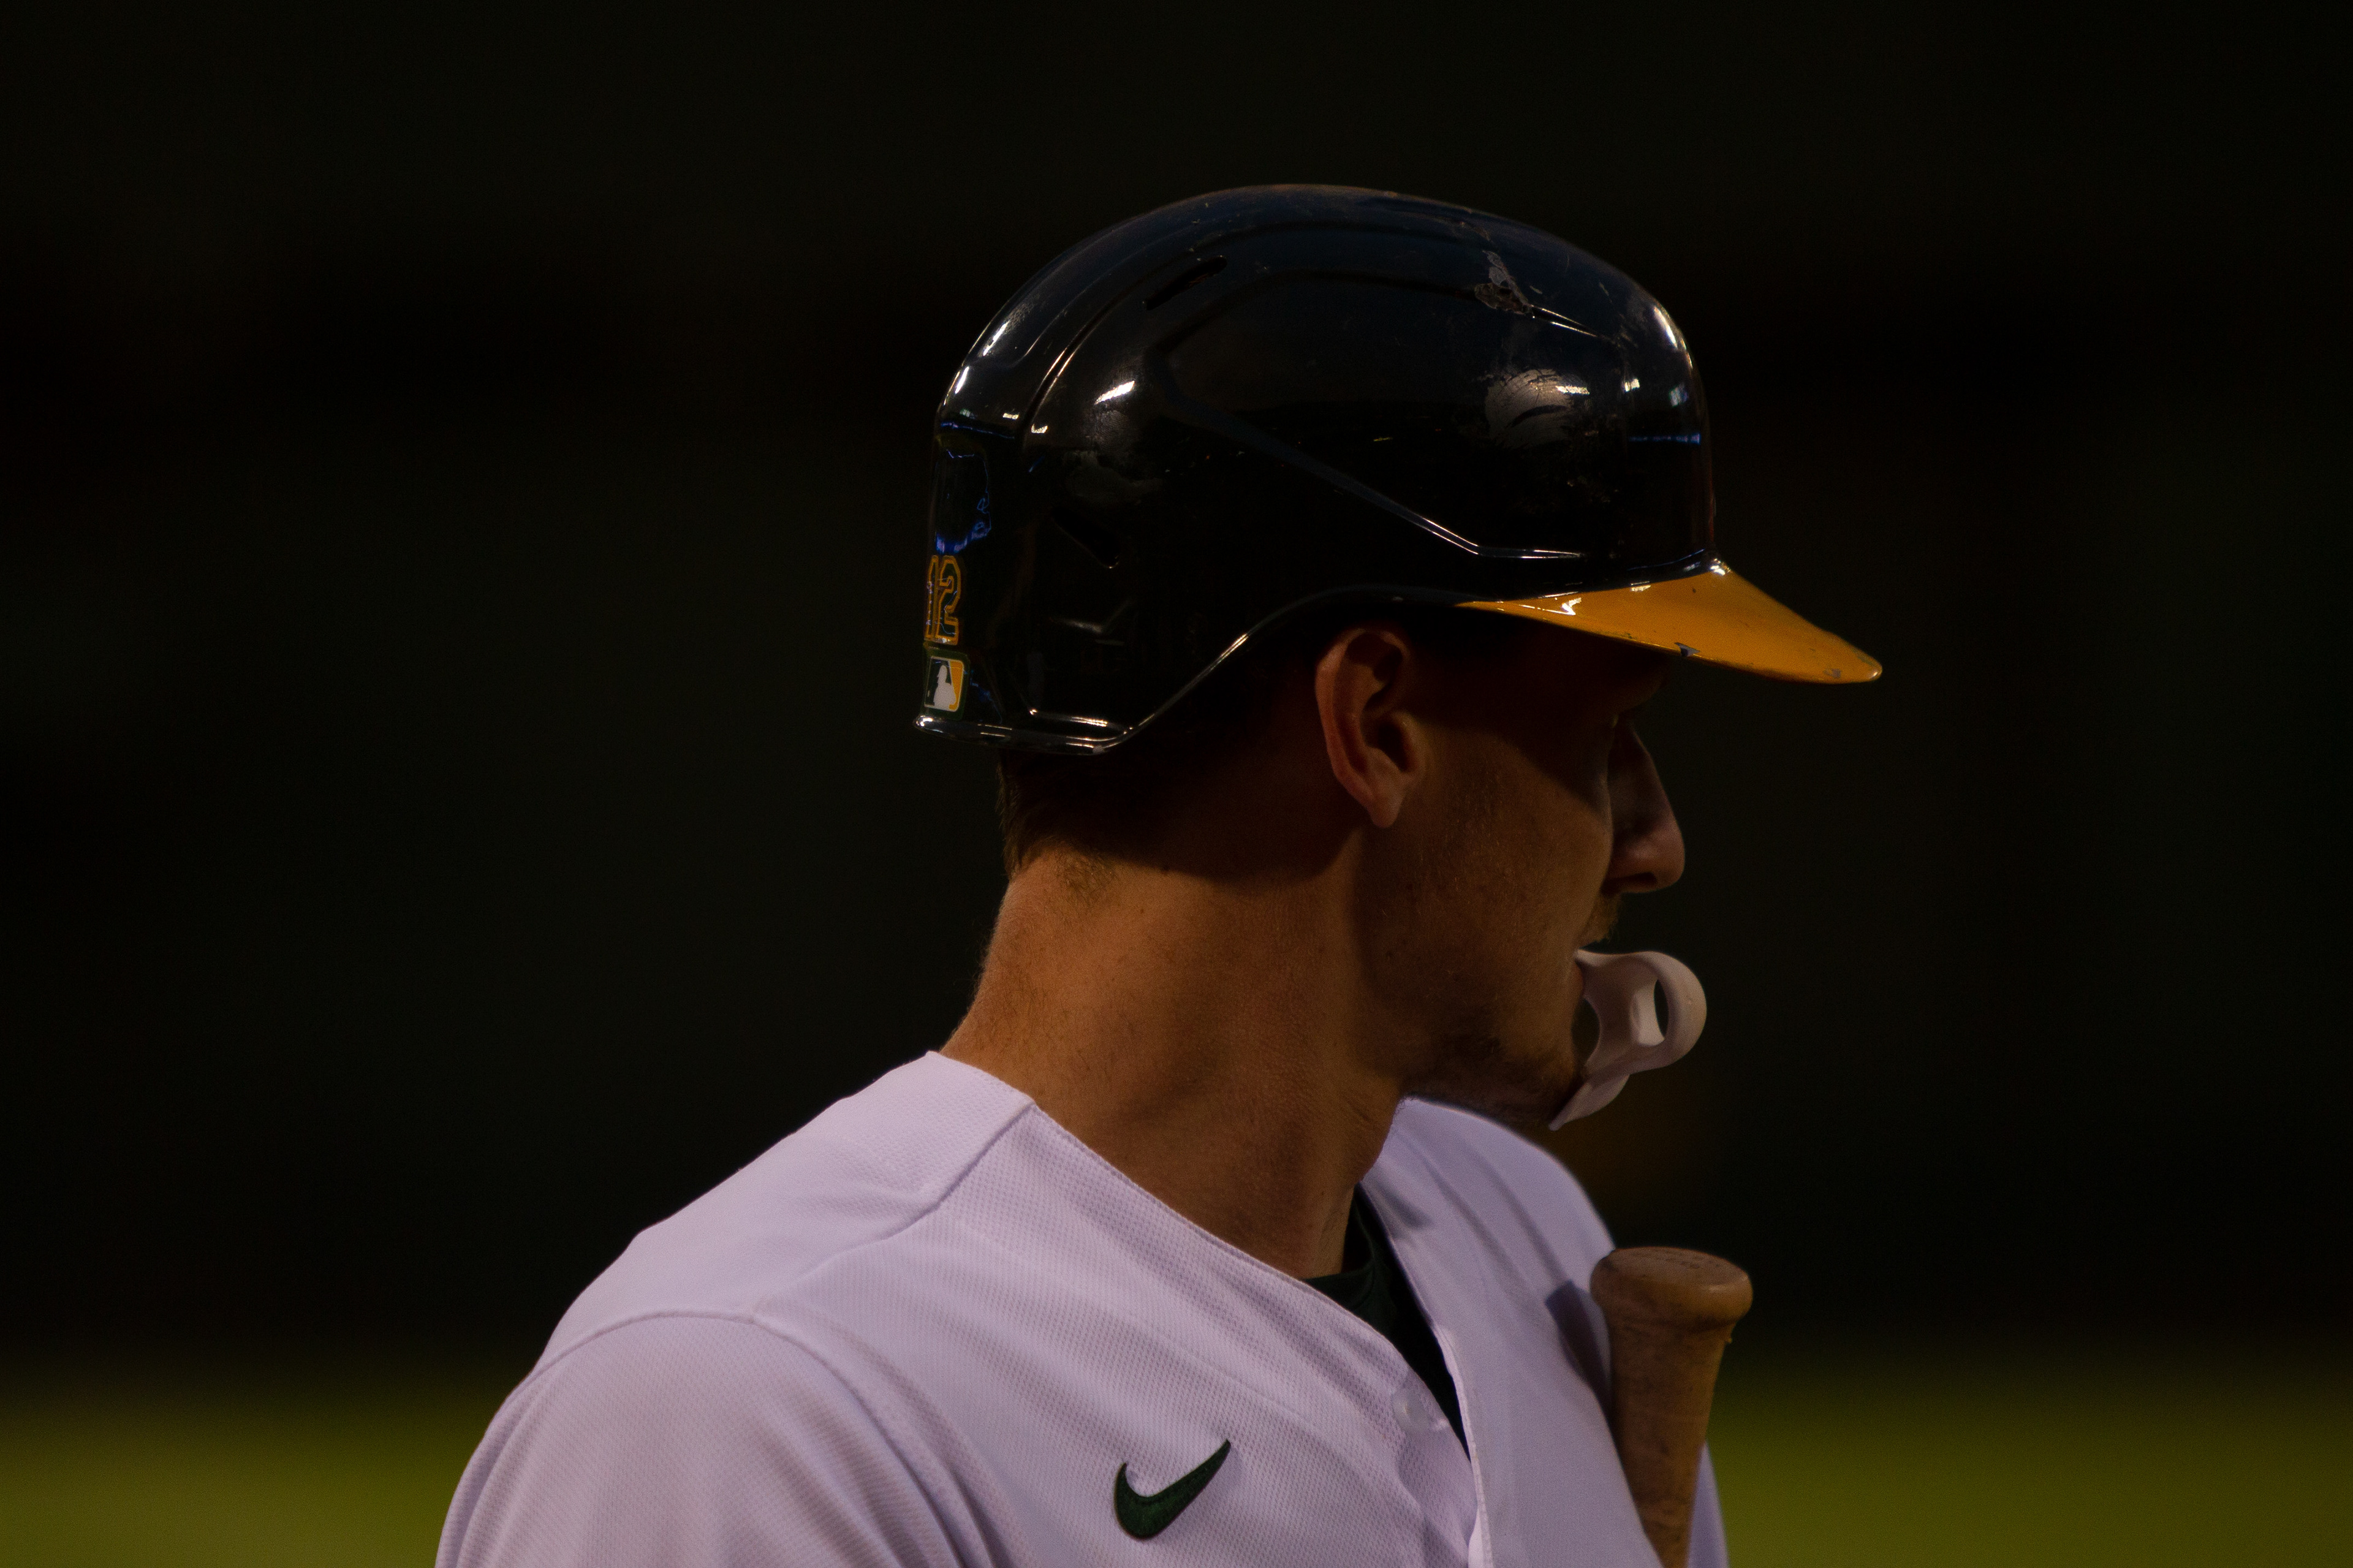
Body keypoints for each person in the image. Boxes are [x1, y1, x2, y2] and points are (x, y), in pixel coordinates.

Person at [438, 186, 1878, 1568]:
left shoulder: (1524, 1232)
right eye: (1604, 738)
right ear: (1375, 724)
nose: (1654, 839)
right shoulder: (751, 1406)